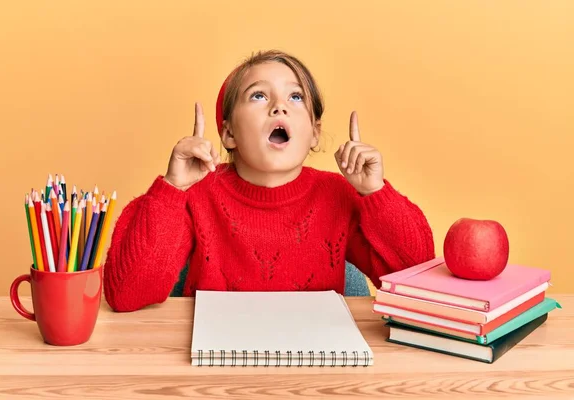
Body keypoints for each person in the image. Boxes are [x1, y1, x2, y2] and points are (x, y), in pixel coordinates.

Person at [103, 49, 435, 312]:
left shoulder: (340, 195)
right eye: (259, 96)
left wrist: (375, 193)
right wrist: (172, 190)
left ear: (315, 133)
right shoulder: (195, 195)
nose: (279, 107)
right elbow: (127, 294)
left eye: (295, 97)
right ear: (228, 133)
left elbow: (417, 284)